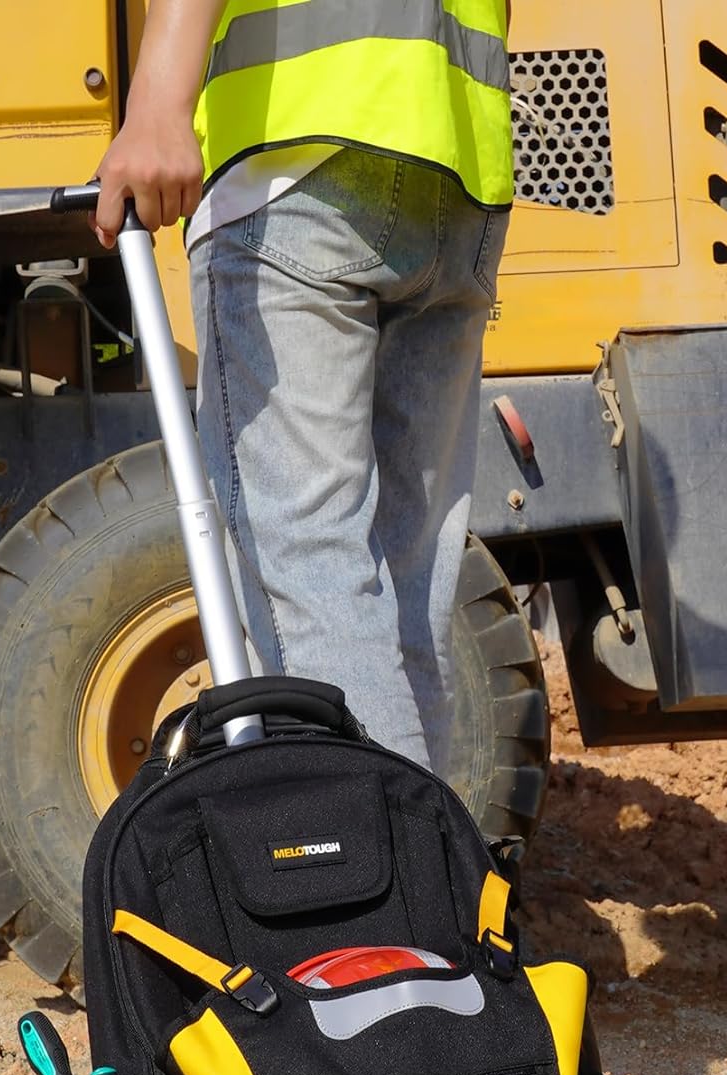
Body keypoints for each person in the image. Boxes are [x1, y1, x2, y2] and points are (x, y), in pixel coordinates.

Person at [88, 0, 513, 772]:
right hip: (460, 173)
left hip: (295, 165)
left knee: (313, 579)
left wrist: (155, 101)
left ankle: (373, 889)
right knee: (406, 602)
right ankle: (429, 880)